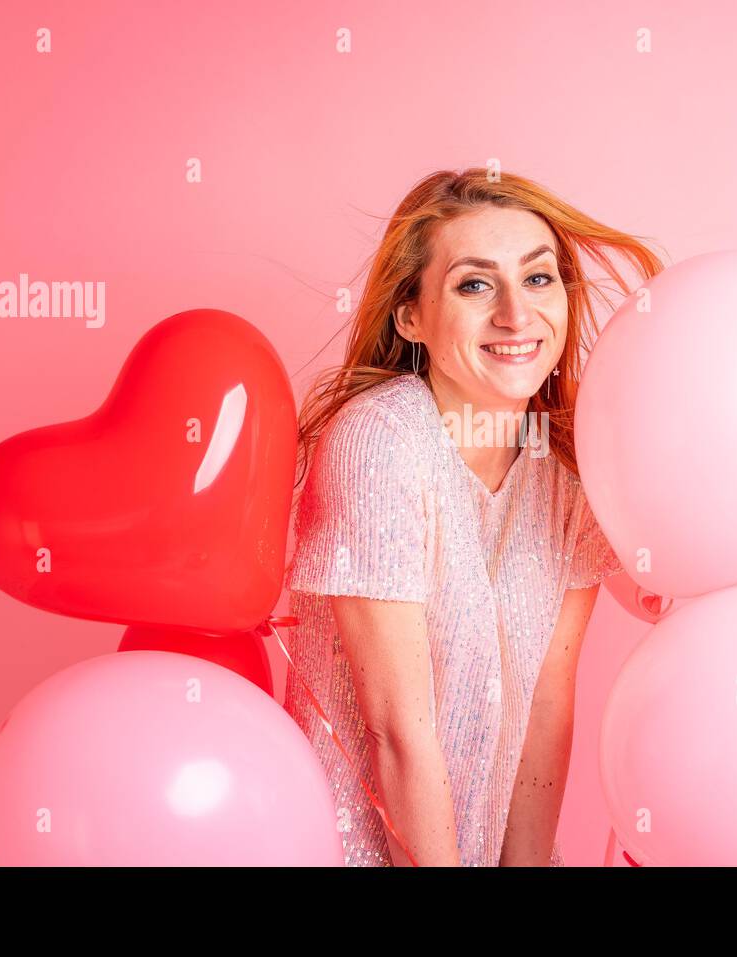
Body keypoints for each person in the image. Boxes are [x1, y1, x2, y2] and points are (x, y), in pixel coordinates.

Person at [283, 167, 664, 866]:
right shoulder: (380, 441)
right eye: (474, 284)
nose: (517, 315)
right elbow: (398, 731)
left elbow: (546, 713)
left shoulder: (567, 470)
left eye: (539, 278)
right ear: (411, 317)